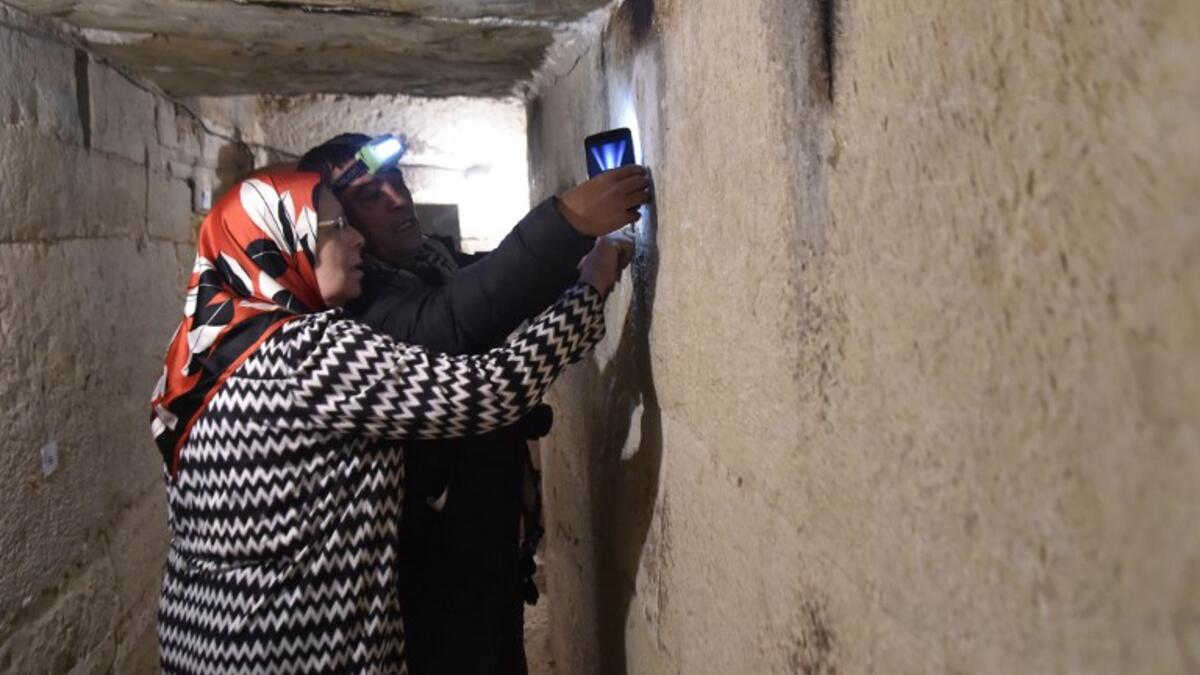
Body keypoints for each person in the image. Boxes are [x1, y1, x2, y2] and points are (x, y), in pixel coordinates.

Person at [151, 168, 636, 673]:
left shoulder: (197, 350)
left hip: (203, 634)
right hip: (290, 645)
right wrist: (590, 287)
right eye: (336, 226)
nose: (357, 238)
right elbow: (489, 391)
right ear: (281, 242)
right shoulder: (303, 351)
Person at [297, 134, 646, 674]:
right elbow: (452, 325)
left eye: (397, 181)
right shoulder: (351, 314)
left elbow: (490, 284)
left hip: (480, 546)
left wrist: (576, 251)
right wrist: (571, 229)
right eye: (370, 196)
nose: (398, 199)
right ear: (334, 223)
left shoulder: (425, 263)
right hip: (432, 570)